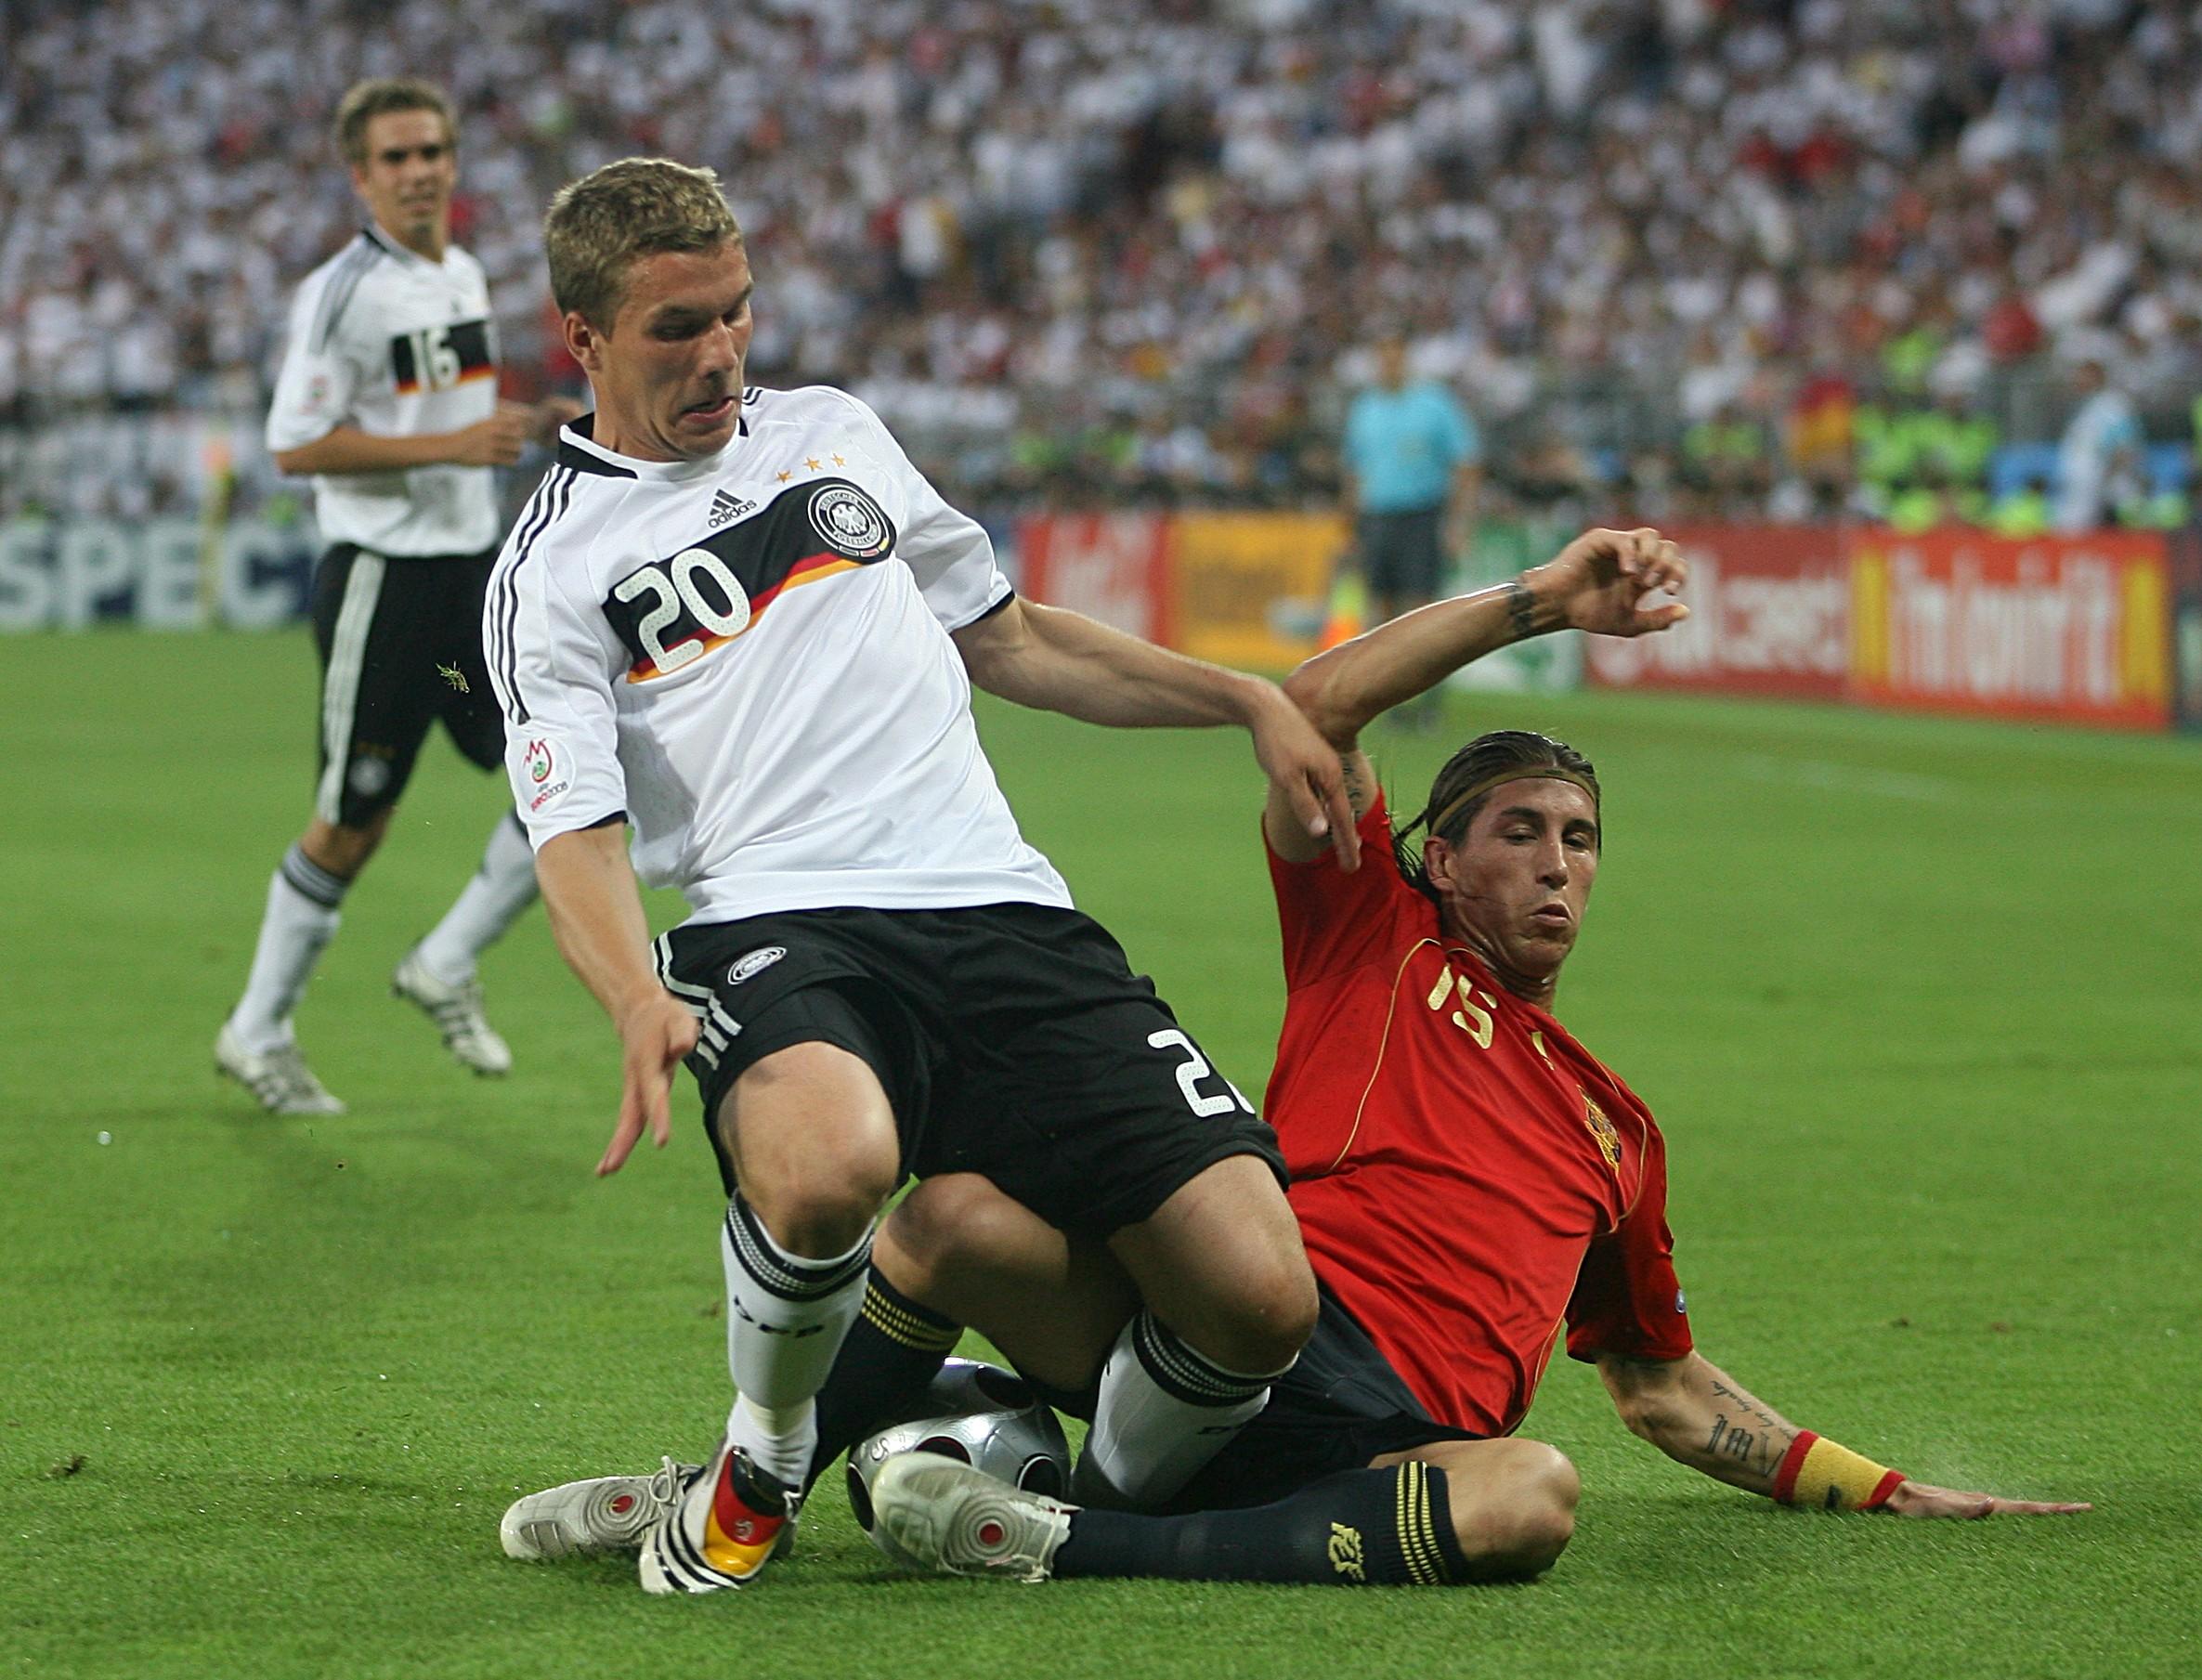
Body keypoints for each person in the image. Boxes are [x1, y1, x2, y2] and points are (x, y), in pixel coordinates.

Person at [843, 527, 2089, 1585]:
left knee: (1531, 1494)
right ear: (1438, 859)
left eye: (1578, 839)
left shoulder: (1616, 1131)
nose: (1555, 863)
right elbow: (1314, 707)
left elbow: (1659, 1388)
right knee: (954, 1218)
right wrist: (1540, 601)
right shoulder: (1374, 934)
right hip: (1250, 1327)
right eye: (1519, 831)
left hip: (1392, 1441)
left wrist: (1873, 1486)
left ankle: (1065, 1535)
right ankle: (764, 1474)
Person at [486, 157, 1358, 1596]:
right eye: (676, 328)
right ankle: (763, 1460)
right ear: (580, 338)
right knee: (828, 1168)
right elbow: (569, 824)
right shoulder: (553, 562)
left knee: (1260, 1298)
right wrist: (634, 991)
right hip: (778, 918)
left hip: (1000, 906)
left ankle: (1081, 1513)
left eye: (735, 312)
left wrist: (1242, 698)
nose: (719, 355)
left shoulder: (834, 433)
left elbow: (1008, 636)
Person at [216, 78, 568, 1114]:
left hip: (470, 582)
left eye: (431, 152)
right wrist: (453, 445)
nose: (418, 171)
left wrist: (523, 421)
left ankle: (445, 961)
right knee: (353, 822)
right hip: (383, 586)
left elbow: (439, 408)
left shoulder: (460, 272)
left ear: (453, 162)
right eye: (396, 157)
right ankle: (256, 1030)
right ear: (361, 175)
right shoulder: (343, 292)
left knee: (562, 773)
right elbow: (295, 446)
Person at [1336, 335, 1479, 720]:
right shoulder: (1365, 407)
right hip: (1376, 517)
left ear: (1406, 359)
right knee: (1381, 611)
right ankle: (1390, 700)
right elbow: (1354, 470)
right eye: (1383, 356)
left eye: (1395, 355)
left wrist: (1458, 523)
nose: (1389, 363)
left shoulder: (1434, 404)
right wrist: (1350, 528)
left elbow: (1466, 463)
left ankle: (1427, 703)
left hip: (1421, 515)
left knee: (1420, 610)